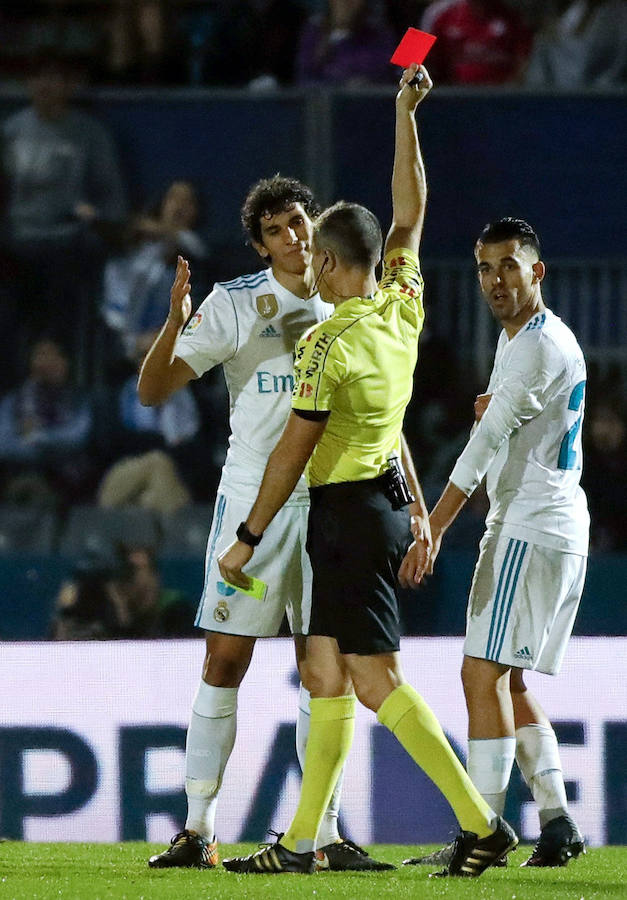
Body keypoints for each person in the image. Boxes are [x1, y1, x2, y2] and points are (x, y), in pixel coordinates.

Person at [218, 63, 518, 878]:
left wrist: (246, 537)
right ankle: (303, 843)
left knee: (372, 678)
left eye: (312, 252)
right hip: (381, 501)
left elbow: (292, 452)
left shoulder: (327, 344)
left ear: (325, 262)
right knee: (323, 667)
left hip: (346, 511)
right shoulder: (401, 304)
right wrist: (403, 113)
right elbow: (411, 211)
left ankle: (480, 823)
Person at [138, 175, 391, 871]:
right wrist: (173, 321)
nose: (295, 238)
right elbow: (153, 390)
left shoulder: (351, 299)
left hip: (330, 502)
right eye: (277, 229)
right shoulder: (237, 303)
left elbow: (380, 406)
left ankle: (323, 832)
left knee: (326, 672)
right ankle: (196, 830)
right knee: (225, 659)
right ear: (258, 243)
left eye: (301, 223)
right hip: (252, 500)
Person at [402, 217, 588, 869]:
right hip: (555, 523)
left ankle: (479, 833)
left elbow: (481, 447)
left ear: (536, 271)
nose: (494, 279)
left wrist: (435, 524)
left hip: (528, 528)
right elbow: (508, 420)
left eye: (508, 265)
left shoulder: (534, 345)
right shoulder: (532, 337)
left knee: (477, 673)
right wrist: (497, 410)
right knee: (504, 681)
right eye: (484, 267)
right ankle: (557, 820)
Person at [420, 0, 532, 84]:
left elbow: (524, 63)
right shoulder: (436, 12)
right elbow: (408, 60)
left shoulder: (513, 17)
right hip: (451, 97)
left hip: (501, 98)